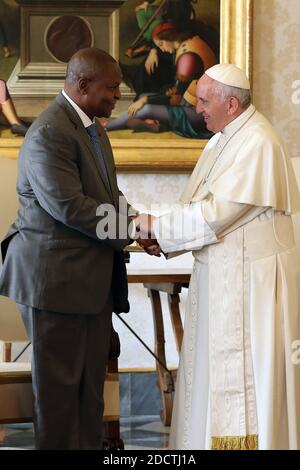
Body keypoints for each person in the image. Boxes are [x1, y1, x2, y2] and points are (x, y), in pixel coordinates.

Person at [135, 64, 300, 449]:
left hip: (248, 286)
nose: (197, 110)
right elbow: (199, 207)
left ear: (230, 102)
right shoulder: (223, 139)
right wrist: (162, 235)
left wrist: (157, 229)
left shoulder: (257, 142)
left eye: (205, 102)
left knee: (249, 382)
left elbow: (215, 216)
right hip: (225, 274)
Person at [0, 47, 155, 450]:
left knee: (88, 395)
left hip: (88, 283)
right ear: (82, 85)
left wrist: (139, 225)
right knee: (59, 398)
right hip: (54, 282)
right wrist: (132, 227)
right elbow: (71, 208)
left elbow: (108, 196)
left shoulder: (92, 127)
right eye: (112, 87)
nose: (118, 94)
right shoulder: (50, 132)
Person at [106, 22, 217, 138]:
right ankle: (158, 125)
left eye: (161, 44)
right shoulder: (188, 44)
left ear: (170, 38)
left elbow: (176, 96)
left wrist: (145, 100)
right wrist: (146, 98)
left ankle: (108, 126)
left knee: (146, 108)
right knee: (143, 97)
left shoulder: (187, 57)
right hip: (189, 103)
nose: (161, 49)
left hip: (199, 114)